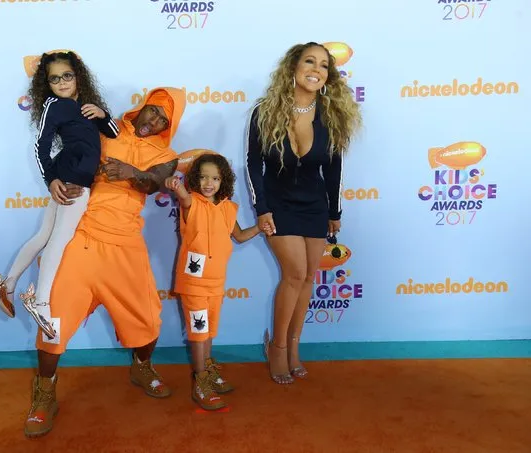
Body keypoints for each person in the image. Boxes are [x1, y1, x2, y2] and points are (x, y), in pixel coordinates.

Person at [23, 87, 186, 438]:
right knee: (52, 321)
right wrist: (56, 179)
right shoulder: (106, 130)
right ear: (141, 107)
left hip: (126, 247)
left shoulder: (168, 154)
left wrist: (130, 172)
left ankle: (141, 366)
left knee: (147, 318)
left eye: (163, 118)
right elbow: (69, 151)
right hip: (81, 240)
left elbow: (153, 182)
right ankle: (45, 392)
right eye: (152, 111)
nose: (154, 120)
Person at [245, 42, 362, 384]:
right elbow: (254, 164)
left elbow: (335, 169)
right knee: (294, 274)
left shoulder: (332, 115)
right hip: (278, 207)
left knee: (309, 278)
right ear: (293, 68)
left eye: (324, 65)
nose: (316, 69)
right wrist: (262, 208)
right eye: (309, 61)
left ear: (329, 75)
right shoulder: (265, 111)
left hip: (315, 207)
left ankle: (295, 348)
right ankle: (277, 348)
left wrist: (334, 211)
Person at [0, 51, 119, 338]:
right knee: (57, 243)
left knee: (44, 238)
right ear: (46, 84)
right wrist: (51, 180)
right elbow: (40, 146)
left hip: (75, 179)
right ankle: (41, 302)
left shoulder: (86, 106)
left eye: (67, 76)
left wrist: (102, 114)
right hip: (72, 182)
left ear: (78, 76)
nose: (61, 82)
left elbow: (113, 133)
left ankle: (8, 284)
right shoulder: (54, 105)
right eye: (54, 78)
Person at [165, 153, 265, 411]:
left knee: (208, 333)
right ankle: (200, 383)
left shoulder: (228, 208)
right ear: (195, 179)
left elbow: (240, 236)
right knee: (199, 334)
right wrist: (177, 188)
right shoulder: (192, 203)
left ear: (224, 181)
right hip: (193, 284)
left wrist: (260, 228)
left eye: (215, 178)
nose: (209, 183)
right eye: (203, 177)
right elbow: (185, 199)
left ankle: (207, 370)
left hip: (216, 283)